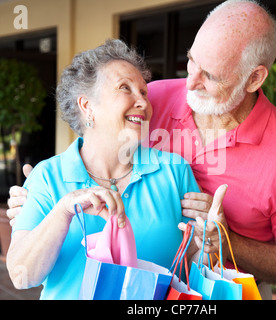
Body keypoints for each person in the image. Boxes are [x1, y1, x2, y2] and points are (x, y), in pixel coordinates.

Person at [8, 0, 276, 299]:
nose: (189, 83)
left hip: (227, 287)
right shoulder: (155, 99)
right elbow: (96, 135)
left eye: (209, 75)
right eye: (190, 61)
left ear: (254, 78)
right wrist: (42, 193)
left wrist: (227, 244)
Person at [6, 39, 214, 300]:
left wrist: (208, 243)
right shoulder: (47, 177)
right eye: (124, 88)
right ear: (86, 106)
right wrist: (63, 210)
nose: (143, 102)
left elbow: (194, 262)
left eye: (144, 92)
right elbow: (21, 276)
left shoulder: (174, 172)